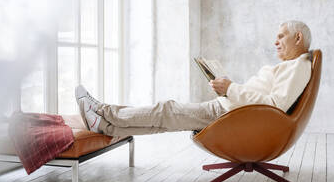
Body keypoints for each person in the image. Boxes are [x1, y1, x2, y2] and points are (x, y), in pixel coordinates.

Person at [75, 20, 312, 137]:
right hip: (234, 110)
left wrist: (230, 88)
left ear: (298, 37)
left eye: (282, 36)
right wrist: (228, 87)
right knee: (164, 120)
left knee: (165, 111)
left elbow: (275, 106)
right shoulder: (292, 66)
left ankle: (103, 110)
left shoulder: (298, 67)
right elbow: (267, 98)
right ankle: (104, 126)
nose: (276, 41)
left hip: (232, 115)